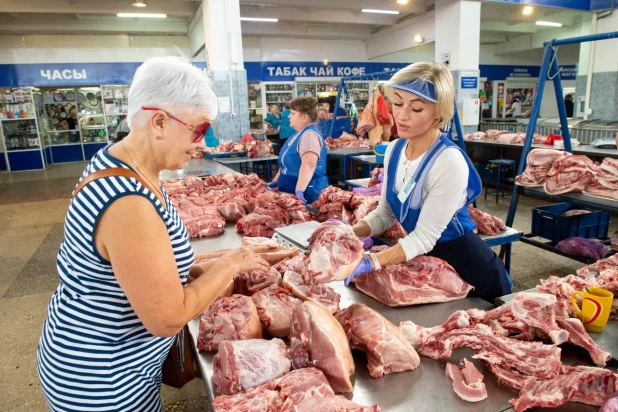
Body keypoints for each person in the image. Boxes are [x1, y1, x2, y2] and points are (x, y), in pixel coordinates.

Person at [37, 56, 272, 411]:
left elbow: (141, 265)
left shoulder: (131, 168)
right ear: (159, 121)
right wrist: (231, 263)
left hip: (118, 364)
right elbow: (165, 317)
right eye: (198, 129)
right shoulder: (128, 201)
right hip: (101, 380)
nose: (201, 143)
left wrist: (197, 270)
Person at [345, 62, 511, 303]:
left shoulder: (448, 161)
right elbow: (385, 214)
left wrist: (372, 262)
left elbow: (424, 237)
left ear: (438, 113)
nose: (401, 115)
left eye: (417, 108)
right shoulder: (395, 149)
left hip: (469, 272)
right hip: (424, 264)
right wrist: (347, 233)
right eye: (398, 103)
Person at [267, 96, 328, 204]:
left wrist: (299, 191)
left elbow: (309, 164)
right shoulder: (298, 134)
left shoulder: (309, 135)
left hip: (308, 193)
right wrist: (275, 181)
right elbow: (286, 165)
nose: (289, 116)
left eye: (293, 113)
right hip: (290, 192)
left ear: (304, 117)